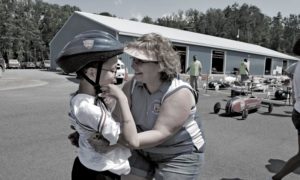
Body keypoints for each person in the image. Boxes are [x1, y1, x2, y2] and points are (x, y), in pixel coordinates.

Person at [114, 33, 205, 180]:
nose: (133, 65)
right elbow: (116, 118)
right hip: (141, 149)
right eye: (133, 59)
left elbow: (160, 134)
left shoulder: (179, 92)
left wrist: (114, 139)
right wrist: (91, 132)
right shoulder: (131, 85)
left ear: (161, 65)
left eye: (140, 61)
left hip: (178, 154)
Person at [56, 30, 138, 180]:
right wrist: (122, 99)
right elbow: (128, 139)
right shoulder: (87, 108)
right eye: (113, 70)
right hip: (100, 172)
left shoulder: (85, 99)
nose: (116, 76)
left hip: (91, 166)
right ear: (92, 73)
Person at [271, 39, 300, 180]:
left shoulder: (297, 66)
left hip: (297, 110)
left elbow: (288, 75)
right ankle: (278, 177)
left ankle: (278, 177)